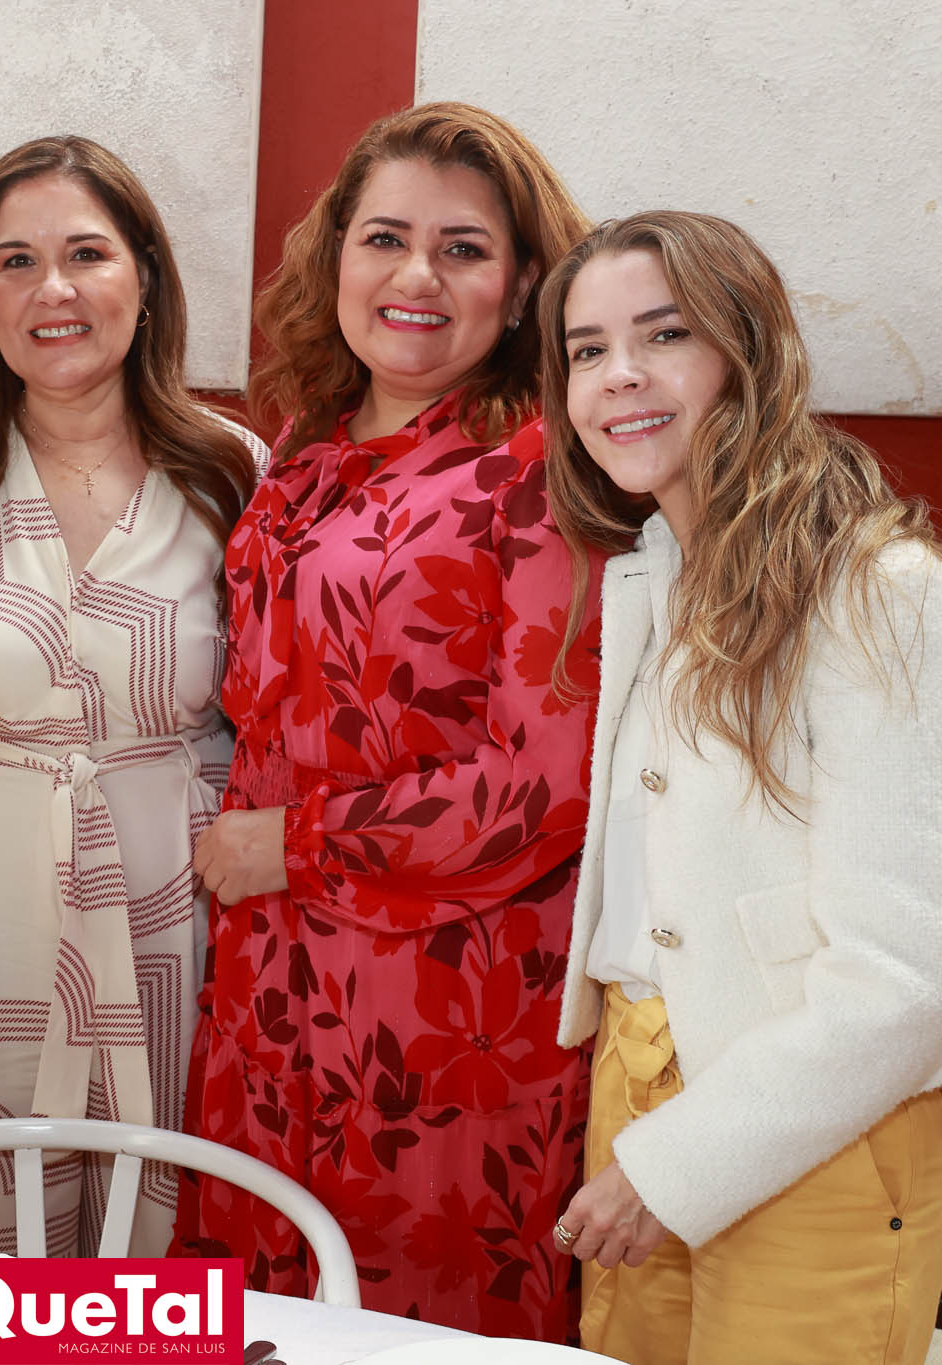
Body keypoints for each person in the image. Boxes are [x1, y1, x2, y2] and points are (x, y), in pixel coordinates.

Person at [539, 210, 942, 1364]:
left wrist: (674, 1166)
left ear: (747, 352)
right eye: (584, 349)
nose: (616, 374)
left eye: (661, 334)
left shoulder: (881, 590)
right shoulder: (648, 580)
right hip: (635, 1092)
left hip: (822, 1131)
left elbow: (910, 976)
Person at [172, 103, 598, 1337]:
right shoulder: (304, 452)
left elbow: (544, 781)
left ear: (522, 288)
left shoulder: (540, 472)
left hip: (444, 1008)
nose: (416, 276)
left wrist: (293, 845)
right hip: (268, 983)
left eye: (463, 249)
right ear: (336, 258)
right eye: (384, 239)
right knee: (258, 1318)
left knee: (410, 1328)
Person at [0, 136, 264, 1256]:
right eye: (15, 261)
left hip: (177, 894)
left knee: (169, 1214)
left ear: (144, 278)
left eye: (86, 254)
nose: (51, 289)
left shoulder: (231, 469)